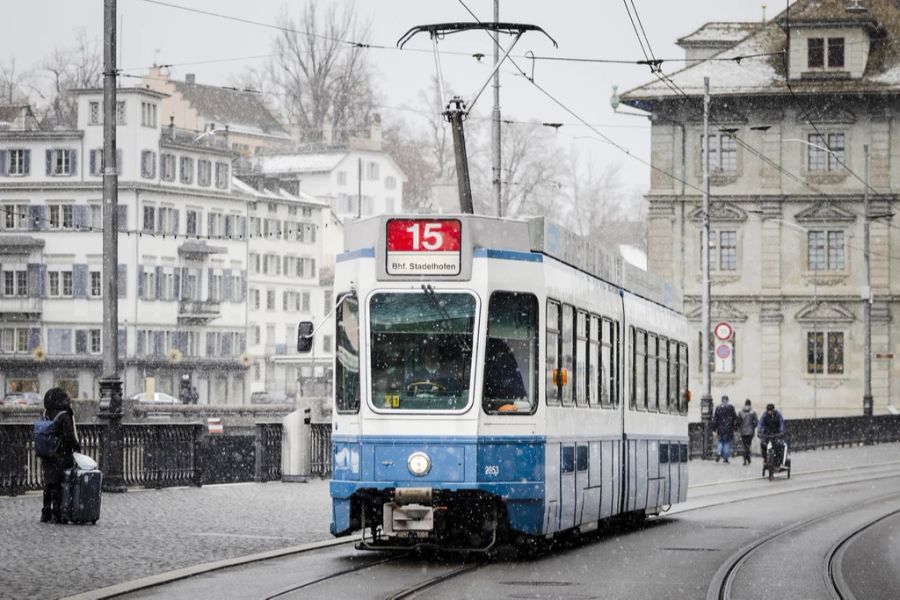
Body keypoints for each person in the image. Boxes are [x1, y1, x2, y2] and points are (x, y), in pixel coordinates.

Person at [40, 387, 81, 523]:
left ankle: (46, 512)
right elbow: (69, 436)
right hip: (61, 454)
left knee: (49, 483)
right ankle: (57, 513)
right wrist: (77, 446)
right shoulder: (64, 415)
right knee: (59, 483)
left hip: (47, 453)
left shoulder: (46, 413)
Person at [711, 394, 738, 463]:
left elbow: (715, 419)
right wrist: (735, 428)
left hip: (720, 429)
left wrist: (714, 429)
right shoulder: (731, 407)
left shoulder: (718, 407)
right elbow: (735, 418)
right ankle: (725, 458)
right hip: (729, 428)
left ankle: (718, 452)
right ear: (727, 400)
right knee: (727, 443)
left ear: (722, 400)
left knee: (721, 441)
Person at [737, 399, 759, 466]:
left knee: (745, 446)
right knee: (748, 446)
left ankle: (746, 459)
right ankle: (747, 459)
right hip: (750, 432)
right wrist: (753, 427)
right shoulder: (753, 412)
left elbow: (738, 422)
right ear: (750, 404)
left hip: (743, 431)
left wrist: (740, 428)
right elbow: (756, 422)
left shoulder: (740, 412)